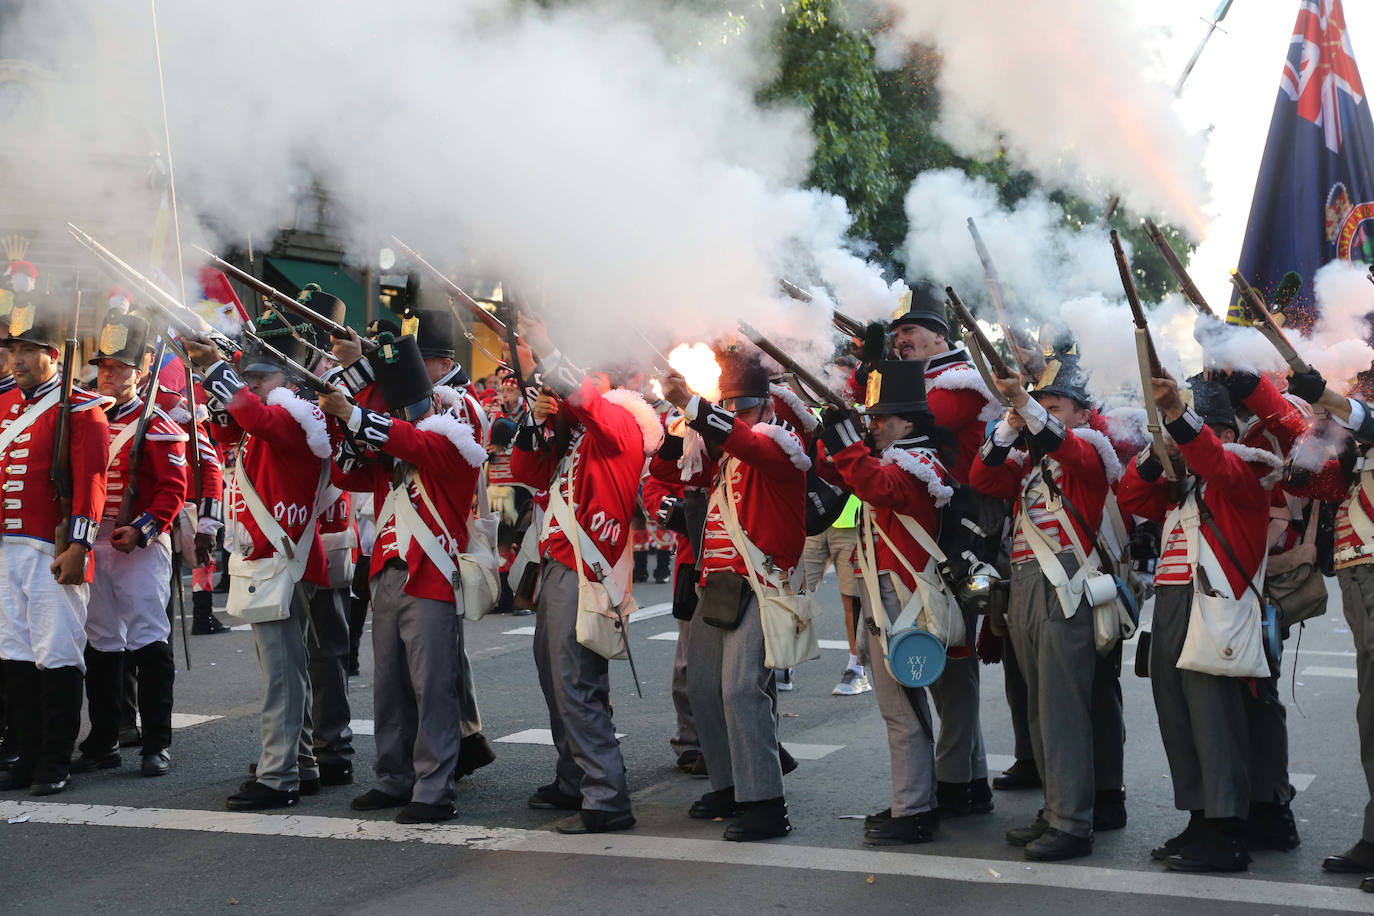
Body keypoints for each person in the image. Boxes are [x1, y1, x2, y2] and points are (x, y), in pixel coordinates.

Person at [1117, 372, 1280, 873]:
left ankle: (1227, 827)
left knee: (1214, 722)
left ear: (1225, 435)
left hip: (1213, 607)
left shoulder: (1243, 478)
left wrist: (1177, 417)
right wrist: (1160, 448)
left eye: (1198, 430)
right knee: (1178, 718)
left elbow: (1214, 460)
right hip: (1172, 603)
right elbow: (1130, 497)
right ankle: (1200, 815)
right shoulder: (1184, 486)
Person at [323, 329, 485, 823]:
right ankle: (394, 777)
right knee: (388, 687)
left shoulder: (450, 443)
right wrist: (347, 414)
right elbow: (346, 474)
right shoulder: (399, 446)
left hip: (431, 573)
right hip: (388, 577)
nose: (406, 414)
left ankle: (434, 787)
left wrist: (354, 412)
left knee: (431, 687)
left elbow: (412, 440)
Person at [509, 316, 661, 834]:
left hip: (584, 566)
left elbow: (589, 401)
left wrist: (551, 355)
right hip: (558, 561)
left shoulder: (622, 419)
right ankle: (573, 777)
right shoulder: (582, 430)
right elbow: (529, 474)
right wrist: (537, 420)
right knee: (556, 679)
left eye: (588, 375)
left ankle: (605, 796)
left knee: (576, 683)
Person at [969, 354, 1122, 861]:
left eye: (1053, 404)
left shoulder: (1091, 450)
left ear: (1079, 414)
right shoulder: (1033, 464)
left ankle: (1072, 822)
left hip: (1064, 587)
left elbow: (1069, 451)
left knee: (1062, 709)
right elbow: (981, 476)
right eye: (1041, 402)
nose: (1042, 410)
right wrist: (1012, 422)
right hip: (1028, 586)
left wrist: (1025, 404)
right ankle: (1057, 808)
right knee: (1040, 708)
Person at [183, 313, 337, 811]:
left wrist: (216, 370)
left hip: (283, 559)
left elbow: (253, 417)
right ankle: (304, 763)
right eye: (247, 375)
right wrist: (212, 376)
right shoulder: (276, 414)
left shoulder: (296, 415)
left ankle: (278, 776)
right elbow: (231, 432)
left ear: (289, 381)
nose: (251, 383)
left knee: (282, 675)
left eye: (261, 376)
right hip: (270, 558)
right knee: (287, 669)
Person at [659, 347, 808, 842]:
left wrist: (698, 409)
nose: (737, 416)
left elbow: (750, 444)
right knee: (702, 689)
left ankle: (766, 803)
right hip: (716, 583)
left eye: (743, 408)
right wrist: (683, 420)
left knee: (741, 689)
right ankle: (728, 786)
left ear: (766, 406)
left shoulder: (783, 446)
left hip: (760, 583)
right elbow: (666, 472)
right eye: (730, 407)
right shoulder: (724, 453)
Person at [819, 360, 955, 845]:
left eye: (883, 419)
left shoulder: (915, 464)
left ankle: (914, 808)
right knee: (900, 706)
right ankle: (913, 799)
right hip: (886, 592)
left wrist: (845, 444)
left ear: (909, 423)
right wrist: (837, 438)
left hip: (902, 594)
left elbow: (876, 487)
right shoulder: (898, 456)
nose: (873, 424)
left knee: (902, 707)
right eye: (872, 418)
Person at [888, 281, 1000, 815]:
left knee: (952, 662)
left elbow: (917, 418)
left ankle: (954, 783)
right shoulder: (926, 375)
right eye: (897, 334)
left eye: (908, 330)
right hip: (934, 527)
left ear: (937, 336)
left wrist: (878, 383)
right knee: (950, 661)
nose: (901, 341)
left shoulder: (959, 380)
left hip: (959, 528)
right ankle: (971, 780)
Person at [0, 294, 110, 796]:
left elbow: (92, 485)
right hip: (6, 550)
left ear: (54, 355)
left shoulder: (84, 411)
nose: (17, 358)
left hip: (51, 550)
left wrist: (80, 548)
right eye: (13, 348)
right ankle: (25, 754)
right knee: (15, 656)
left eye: (29, 349)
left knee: (57, 655)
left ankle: (53, 761)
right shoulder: (4, 407)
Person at [71, 312, 187, 779]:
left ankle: (157, 742)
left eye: (118, 367)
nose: (108, 374)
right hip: (93, 544)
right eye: (103, 366)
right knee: (100, 644)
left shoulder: (156, 421)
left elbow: (173, 490)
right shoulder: (85, 417)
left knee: (147, 640)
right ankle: (105, 738)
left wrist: (142, 528)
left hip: (138, 547)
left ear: (139, 371)